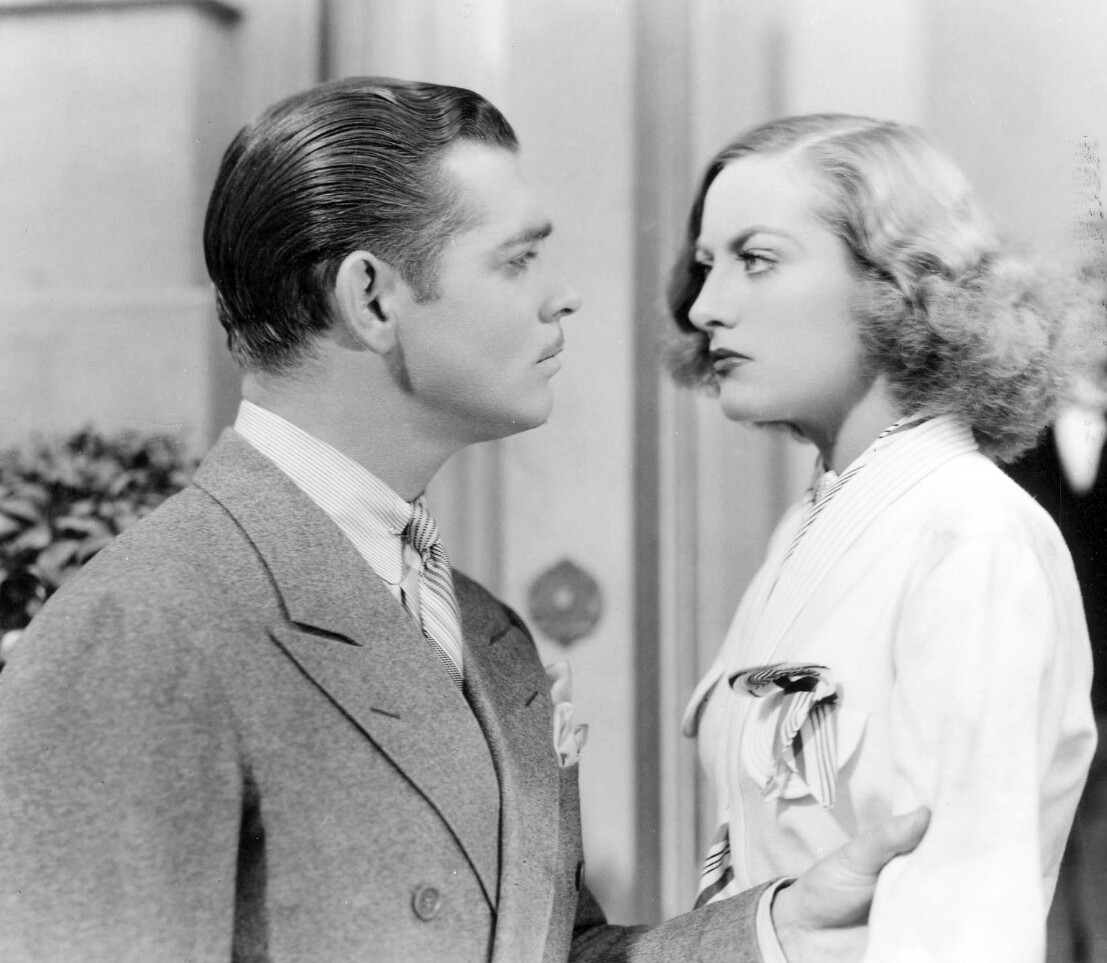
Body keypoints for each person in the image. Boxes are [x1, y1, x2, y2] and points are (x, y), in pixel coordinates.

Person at [0, 80, 925, 963]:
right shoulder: (143, 631)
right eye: (516, 260)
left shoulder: (487, 633)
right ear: (372, 298)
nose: (560, 296)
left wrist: (778, 927)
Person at [669, 113, 1099, 962]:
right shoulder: (811, 523)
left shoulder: (969, 534)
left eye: (756, 259)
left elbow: (965, 917)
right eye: (706, 264)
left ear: (899, 285)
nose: (703, 307)